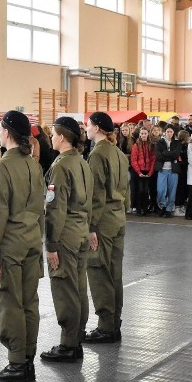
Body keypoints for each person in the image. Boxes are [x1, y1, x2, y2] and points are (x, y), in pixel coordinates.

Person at [0, 110, 45, 382]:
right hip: (32, 239)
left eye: (0, 127)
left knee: (10, 302)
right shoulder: (34, 164)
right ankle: (28, 358)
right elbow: (41, 209)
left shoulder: (3, 166)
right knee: (30, 302)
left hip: (10, 244)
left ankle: (16, 362)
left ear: (7, 132)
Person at [39, 117, 93, 363]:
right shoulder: (81, 163)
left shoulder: (60, 166)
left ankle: (68, 344)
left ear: (61, 137)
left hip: (65, 235)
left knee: (65, 289)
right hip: (80, 231)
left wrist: (50, 244)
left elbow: (55, 209)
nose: (51, 137)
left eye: (53, 134)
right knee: (79, 288)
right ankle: (77, 337)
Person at [84, 112, 130, 344]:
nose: (86, 128)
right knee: (115, 271)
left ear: (98, 128)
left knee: (99, 271)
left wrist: (91, 226)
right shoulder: (119, 153)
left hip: (102, 221)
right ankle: (114, 322)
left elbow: (96, 195)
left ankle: (105, 325)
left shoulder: (97, 155)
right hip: (118, 217)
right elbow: (126, 188)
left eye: (89, 125)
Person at [154, 126, 181, 218]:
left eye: (171, 132)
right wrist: (170, 154)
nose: (169, 133)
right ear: (164, 132)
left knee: (172, 191)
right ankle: (163, 206)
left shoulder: (177, 143)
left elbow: (176, 155)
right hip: (162, 170)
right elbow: (158, 156)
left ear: (173, 133)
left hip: (173, 170)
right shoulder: (159, 142)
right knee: (160, 190)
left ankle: (169, 209)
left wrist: (164, 153)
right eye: (168, 131)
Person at [129, 127, 155, 216]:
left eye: (145, 133)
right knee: (140, 190)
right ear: (140, 135)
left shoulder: (151, 145)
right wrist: (139, 172)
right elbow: (133, 160)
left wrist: (150, 172)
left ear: (148, 135)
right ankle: (139, 209)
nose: (144, 135)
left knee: (146, 191)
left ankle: (145, 208)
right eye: (142, 134)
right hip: (138, 172)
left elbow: (153, 160)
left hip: (147, 171)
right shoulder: (135, 146)